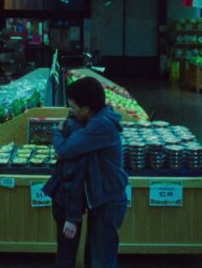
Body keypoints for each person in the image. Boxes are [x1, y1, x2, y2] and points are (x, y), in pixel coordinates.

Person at [53, 77, 129, 268]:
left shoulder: (99, 125)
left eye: (74, 107)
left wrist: (57, 132)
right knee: (94, 256)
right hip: (101, 198)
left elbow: (64, 151)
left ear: (87, 109)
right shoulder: (97, 118)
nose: (71, 111)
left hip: (108, 201)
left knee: (102, 260)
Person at [42, 115, 87, 267]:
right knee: (67, 253)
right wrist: (72, 218)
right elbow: (73, 182)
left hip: (60, 201)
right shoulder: (79, 136)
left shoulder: (71, 128)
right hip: (66, 204)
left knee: (64, 251)